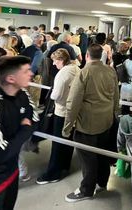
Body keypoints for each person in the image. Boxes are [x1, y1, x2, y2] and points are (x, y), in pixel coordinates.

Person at [62, 44, 119, 202]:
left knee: (87, 159)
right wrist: (114, 114)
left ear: (87, 55)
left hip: (87, 125)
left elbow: (73, 103)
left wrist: (67, 127)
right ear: (101, 55)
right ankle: (102, 183)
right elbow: (116, 95)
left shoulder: (84, 73)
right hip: (106, 121)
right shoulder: (110, 71)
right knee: (102, 154)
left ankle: (86, 190)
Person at [0, 56, 38, 209]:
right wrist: (24, 129)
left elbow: (36, 120)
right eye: (26, 71)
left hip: (12, 173)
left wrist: (22, 131)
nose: (31, 74)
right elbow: (1, 154)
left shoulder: (23, 95)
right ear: (11, 78)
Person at [36, 49, 80, 185]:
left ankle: (53, 172)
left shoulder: (63, 73)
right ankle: (65, 166)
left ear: (61, 60)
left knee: (57, 143)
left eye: (55, 61)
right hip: (73, 112)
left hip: (61, 111)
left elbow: (56, 95)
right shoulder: (77, 69)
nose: (54, 64)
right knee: (68, 140)